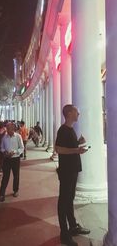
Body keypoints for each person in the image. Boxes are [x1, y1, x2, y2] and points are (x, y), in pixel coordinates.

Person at [55, 104, 90, 246]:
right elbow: (59, 149)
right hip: (66, 171)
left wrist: (77, 143)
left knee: (70, 199)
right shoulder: (63, 130)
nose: (78, 113)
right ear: (69, 113)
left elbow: (68, 146)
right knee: (64, 201)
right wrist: (76, 150)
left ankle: (73, 226)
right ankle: (64, 234)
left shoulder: (70, 130)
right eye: (77, 111)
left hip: (72, 170)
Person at [0, 122, 24, 202]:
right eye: (7, 128)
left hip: (15, 159)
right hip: (7, 159)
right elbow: (1, 147)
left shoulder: (18, 137)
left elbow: (21, 148)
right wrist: (4, 151)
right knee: (5, 177)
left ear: (13, 129)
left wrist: (14, 152)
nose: (7, 130)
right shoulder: (4, 137)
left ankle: (15, 190)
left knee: (16, 175)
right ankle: (2, 194)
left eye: (9, 129)